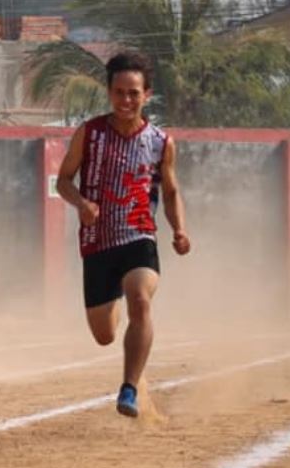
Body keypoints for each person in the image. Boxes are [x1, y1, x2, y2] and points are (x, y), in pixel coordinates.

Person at [55, 50, 191, 419]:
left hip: (139, 237)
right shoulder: (90, 133)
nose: (126, 100)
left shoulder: (162, 142)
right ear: (109, 92)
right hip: (98, 244)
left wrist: (179, 229)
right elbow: (63, 180)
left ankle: (129, 387)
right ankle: (115, 313)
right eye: (119, 92)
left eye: (134, 93)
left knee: (141, 300)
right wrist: (81, 204)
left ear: (147, 94)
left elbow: (172, 190)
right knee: (104, 336)